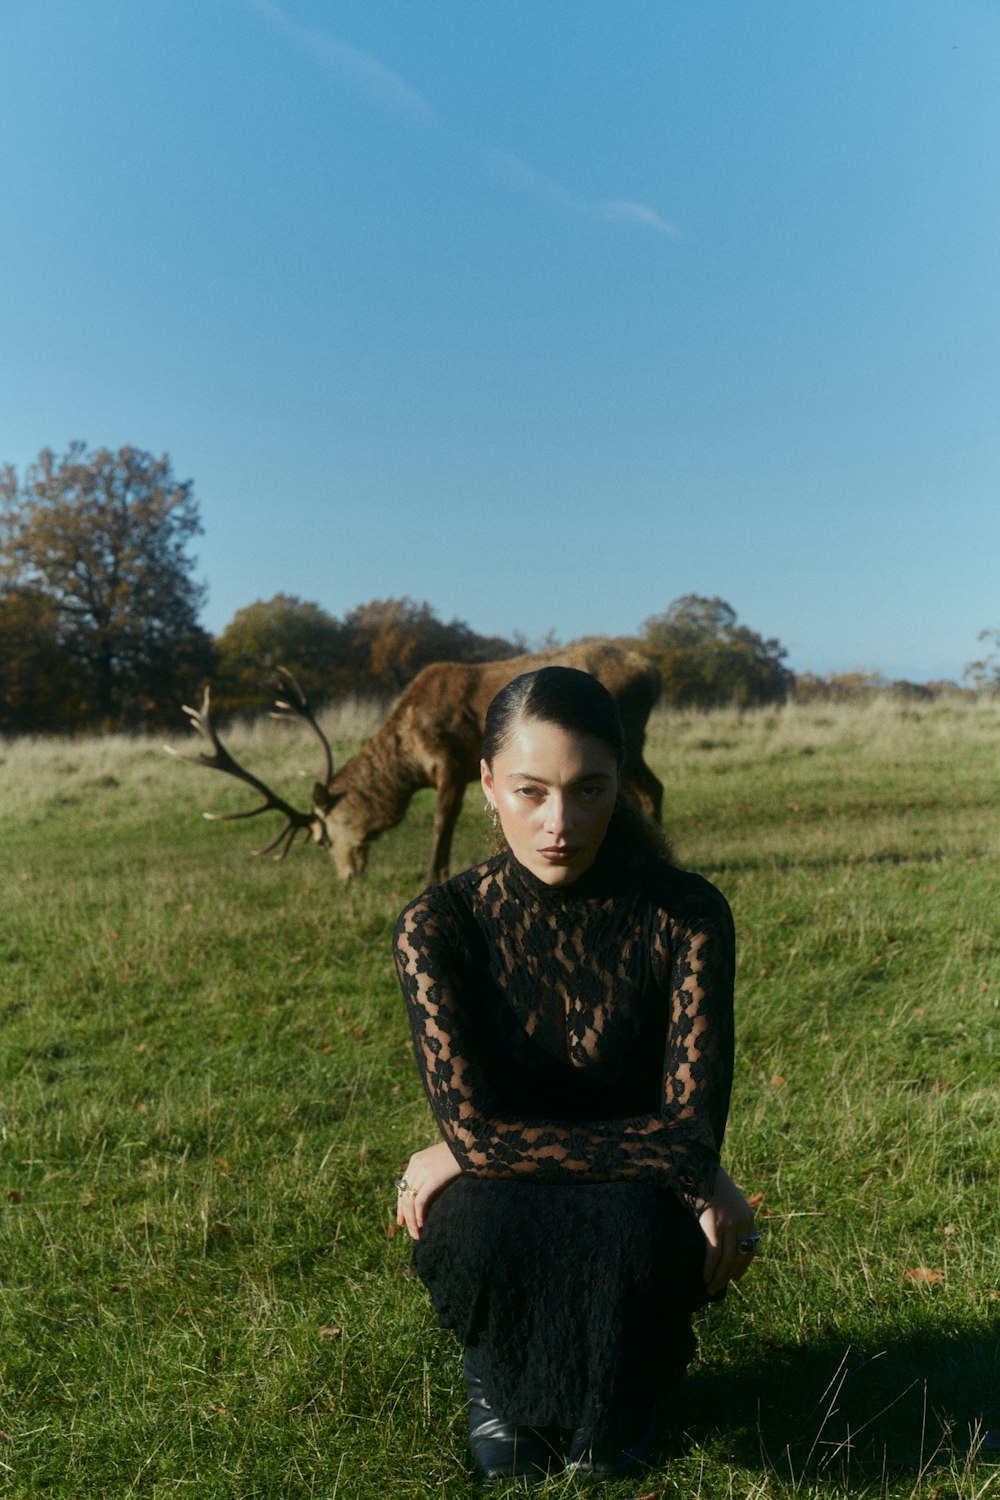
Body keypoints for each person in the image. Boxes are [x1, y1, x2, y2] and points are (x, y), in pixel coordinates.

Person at [392, 666, 757, 1484]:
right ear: (486, 786)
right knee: (480, 1222)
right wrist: (473, 1148)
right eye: (531, 792)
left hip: (632, 1199)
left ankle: (624, 1392)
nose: (561, 822)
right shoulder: (437, 927)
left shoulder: (686, 914)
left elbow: (691, 1131)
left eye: (590, 791)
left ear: (620, 787)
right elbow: (670, 1146)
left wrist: (467, 1146)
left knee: (630, 1228)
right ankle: (500, 1386)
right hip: (519, 1191)